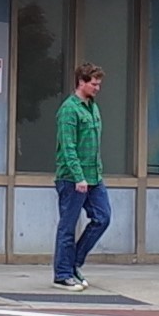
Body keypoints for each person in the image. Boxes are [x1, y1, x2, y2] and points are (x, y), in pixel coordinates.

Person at [50, 64, 112, 287]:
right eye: (94, 84)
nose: (97, 88)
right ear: (81, 82)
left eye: (99, 84)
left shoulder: (93, 107)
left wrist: (95, 173)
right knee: (67, 226)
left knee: (103, 218)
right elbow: (68, 147)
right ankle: (62, 273)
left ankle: (74, 262)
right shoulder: (69, 109)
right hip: (72, 178)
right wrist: (78, 177)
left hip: (94, 176)